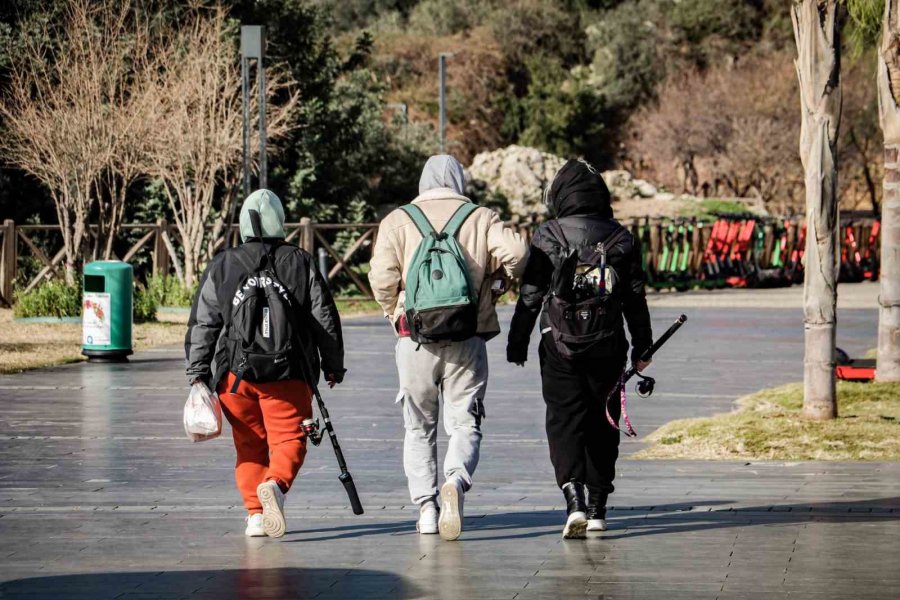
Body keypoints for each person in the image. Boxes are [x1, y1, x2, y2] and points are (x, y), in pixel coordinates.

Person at [368, 155, 528, 540]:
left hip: (414, 338)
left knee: (418, 427)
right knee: (464, 421)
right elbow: (519, 254)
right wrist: (499, 282)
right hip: (467, 335)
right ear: (459, 181)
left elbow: (381, 278)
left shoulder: (397, 220)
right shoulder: (481, 217)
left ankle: (426, 509)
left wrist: (395, 313)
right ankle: (455, 481)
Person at [185, 189, 345, 538]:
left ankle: (256, 516)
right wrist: (333, 365)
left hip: (235, 377)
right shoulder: (299, 261)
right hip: (290, 374)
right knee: (290, 439)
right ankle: (275, 484)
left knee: (249, 445)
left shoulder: (224, 264)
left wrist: (198, 371)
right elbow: (324, 318)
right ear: (280, 221)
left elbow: (204, 322)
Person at [506, 159, 652, 539]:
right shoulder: (621, 238)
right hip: (608, 343)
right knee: (604, 420)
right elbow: (635, 298)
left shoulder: (548, 235)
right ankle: (598, 506)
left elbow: (531, 295)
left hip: (558, 344)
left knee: (564, 418)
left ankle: (574, 499)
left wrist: (517, 342)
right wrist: (643, 346)